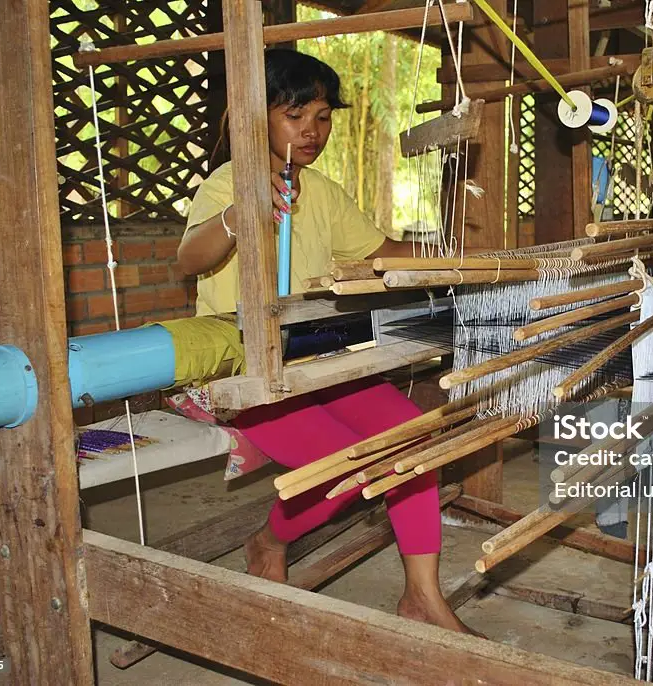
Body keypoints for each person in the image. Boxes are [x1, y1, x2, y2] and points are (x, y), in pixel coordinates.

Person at [177, 49, 480, 636]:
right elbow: (190, 258)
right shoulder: (226, 186)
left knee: (413, 442)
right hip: (245, 365)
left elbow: (381, 250)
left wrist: (462, 257)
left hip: (320, 356)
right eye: (295, 116)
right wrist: (243, 213)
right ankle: (267, 540)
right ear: (256, 116)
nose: (312, 130)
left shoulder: (320, 190)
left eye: (321, 115)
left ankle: (422, 596)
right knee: (341, 469)